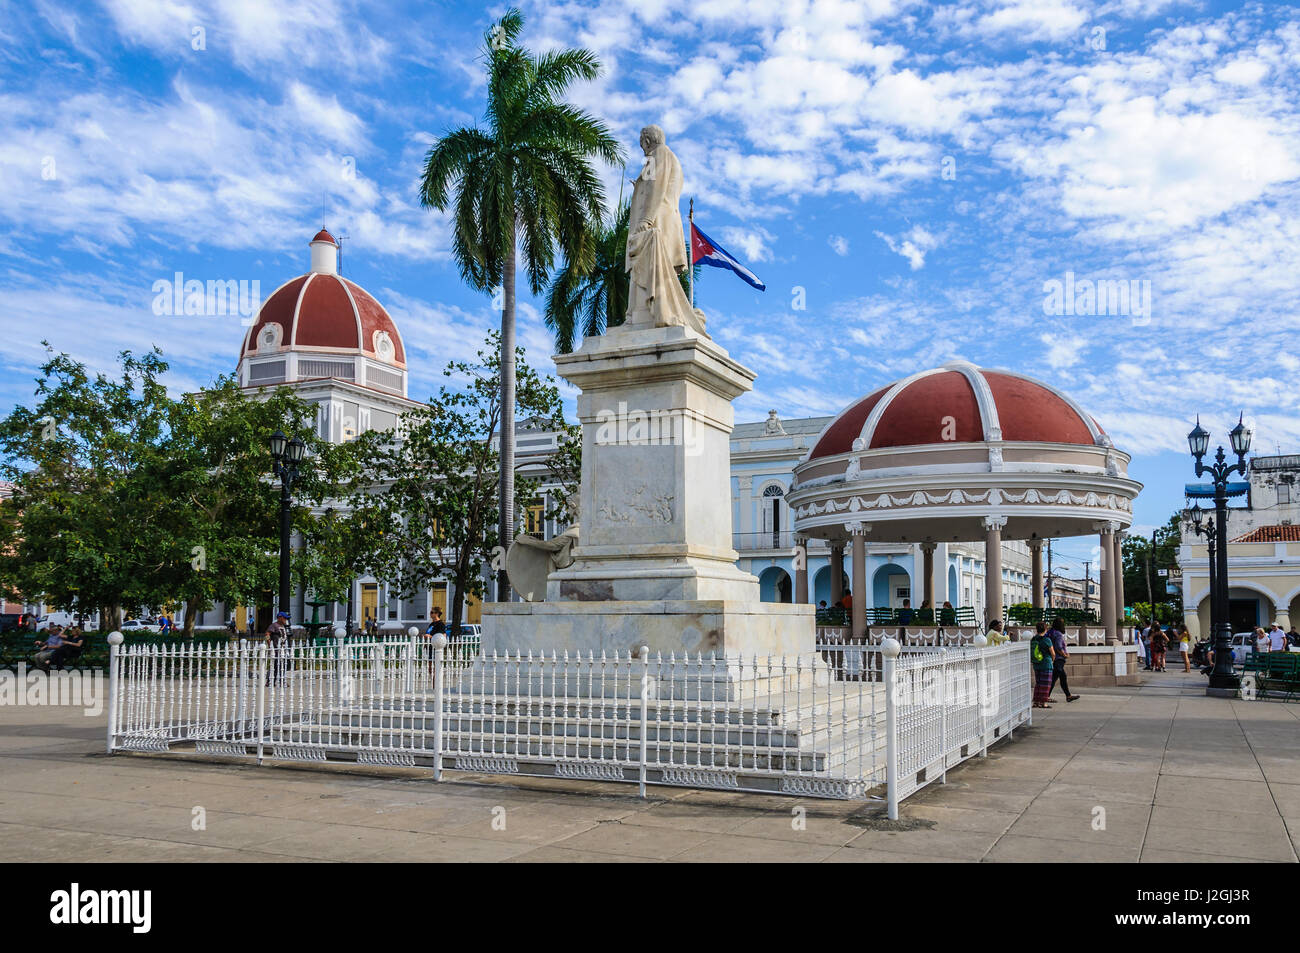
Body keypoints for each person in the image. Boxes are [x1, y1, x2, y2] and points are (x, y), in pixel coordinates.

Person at [1049, 616, 1080, 701]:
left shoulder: (1050, 632)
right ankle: (1047, 696)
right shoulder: (1058, 634)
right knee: (1054, 678)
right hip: (1058, 659)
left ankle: (1068, 695)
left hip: (1052, 658)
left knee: (1063, 677)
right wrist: (1065, 654)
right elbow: (1058, 647)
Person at [1030, 622, 1056, 708]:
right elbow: (1053, 653)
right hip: (1046, 663)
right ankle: (1043, 702)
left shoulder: (1033, 639)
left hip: (1036, 664)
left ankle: (1036, 701)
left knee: (1038, 683)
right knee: (1046, 684)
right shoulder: (1047, 640)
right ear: (1046, 629)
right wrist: (1052, 661)